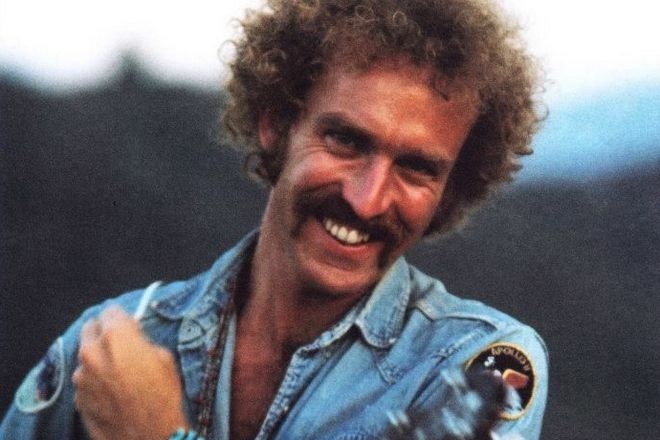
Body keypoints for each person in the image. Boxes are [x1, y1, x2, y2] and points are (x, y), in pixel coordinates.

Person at [1, 0, 548, 439]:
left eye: (416, 168)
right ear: (276, 124)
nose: (367, 200)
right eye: (345, 140)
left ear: (450, 191)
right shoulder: (111, 347)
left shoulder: (475, 365)